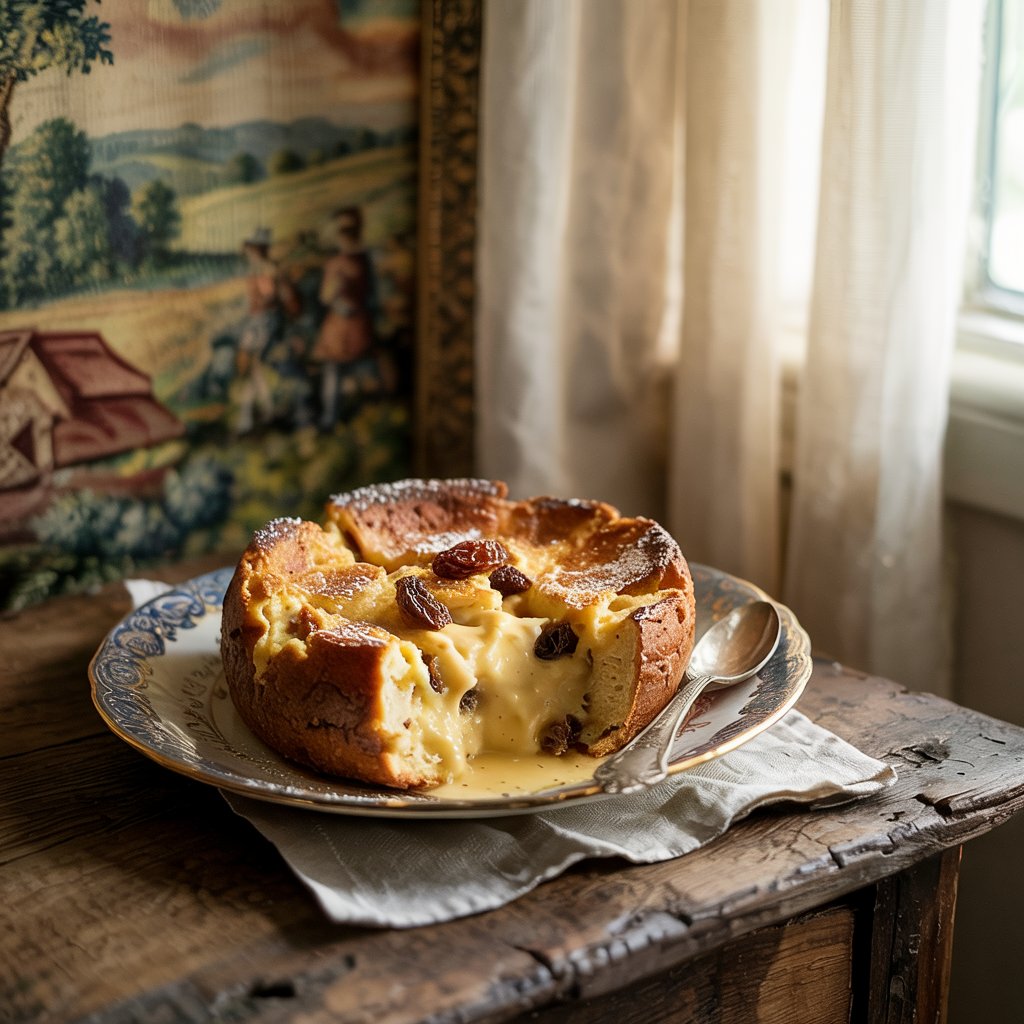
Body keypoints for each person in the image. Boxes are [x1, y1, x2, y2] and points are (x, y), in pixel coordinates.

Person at [312, 206, 375, 430]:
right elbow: (325, 296)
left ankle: (360, 414)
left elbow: (369, 291)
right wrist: (336, 290)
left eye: (350, 230)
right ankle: (331, 417)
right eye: (342, 231)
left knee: (360, 368)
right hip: (338, 324)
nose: (346, 236)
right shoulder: (335, 263)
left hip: (357, 321)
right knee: (333, 370)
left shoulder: (364, 258)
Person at [235, 227, 281, 434]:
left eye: (253, 249)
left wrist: (258, 303)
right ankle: (261, 411)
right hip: (255, 320)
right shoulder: (256, 269)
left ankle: (250, 416)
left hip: (263, 321)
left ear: (259, 249)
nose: (250, 253)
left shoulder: (266, 269)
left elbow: (270, 297)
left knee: (255, 367)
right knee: (252, 369)